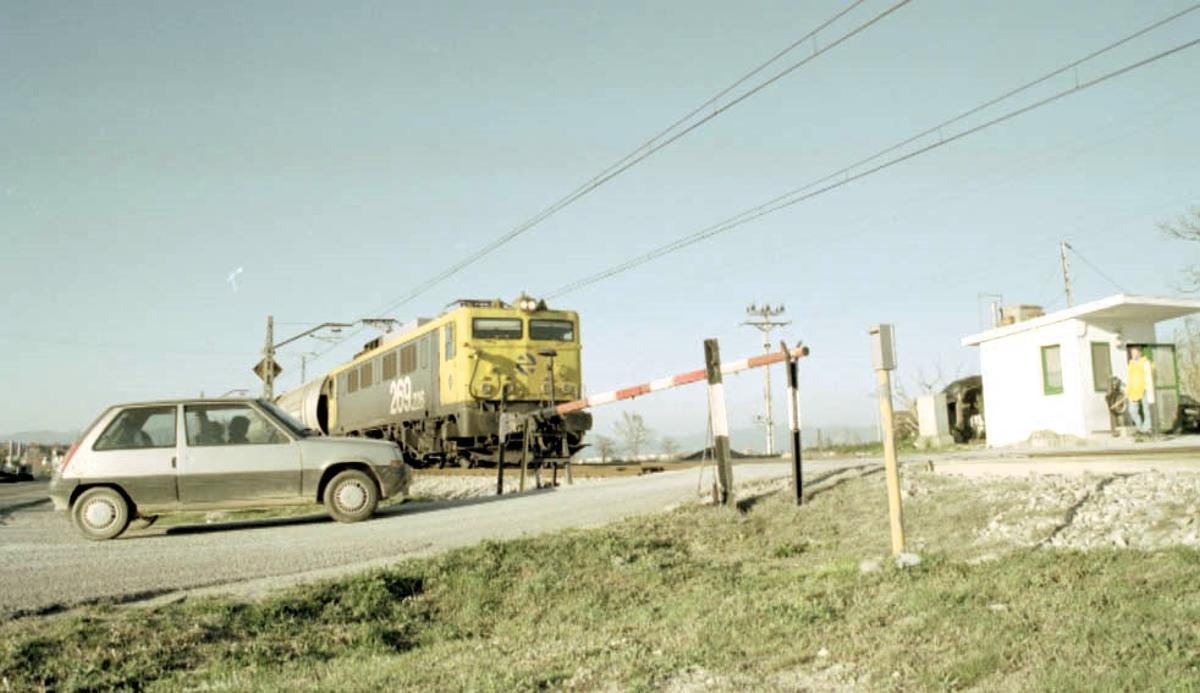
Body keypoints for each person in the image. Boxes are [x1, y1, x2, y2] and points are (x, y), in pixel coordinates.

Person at [1126, 347, 1155, 435]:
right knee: (1132, 410)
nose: (1133, 355)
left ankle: (1147, 428)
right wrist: (1127, 389)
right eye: (1132, 353)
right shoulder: (1130, 364)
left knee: (1146, 409)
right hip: (1133, 390)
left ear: (1140, 353)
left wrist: (1149, 386)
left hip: (1144, 388)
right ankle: (1141, 428)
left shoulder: (1146, 363)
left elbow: (1150, 375)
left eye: (1135, 353)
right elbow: (1129, 378)